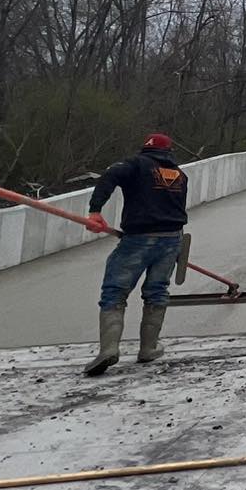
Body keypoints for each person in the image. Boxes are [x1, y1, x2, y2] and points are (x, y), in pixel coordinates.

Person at [81, 133, 189, 375]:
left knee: (115, 292)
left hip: (139, 238)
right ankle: (148, 348)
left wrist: (95, 210)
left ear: (146, 150)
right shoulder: (180, 175)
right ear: (169, 152)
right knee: (157, 292)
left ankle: (108, 350)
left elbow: (110, 175)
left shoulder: (136, 164)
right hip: (172, 239)